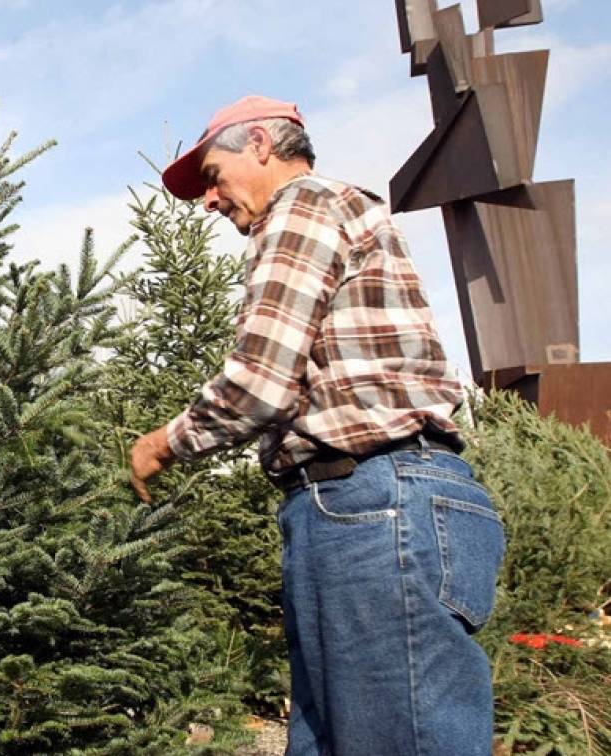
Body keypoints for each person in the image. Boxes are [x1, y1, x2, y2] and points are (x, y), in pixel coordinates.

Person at [129, 95, 505, 755]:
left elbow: (260, 379)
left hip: (373, 504)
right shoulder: (344, 212)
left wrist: (161, 445)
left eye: (213, 177)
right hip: (371, 502)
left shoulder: (301, 206)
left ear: (261, 148)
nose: (208, 201)